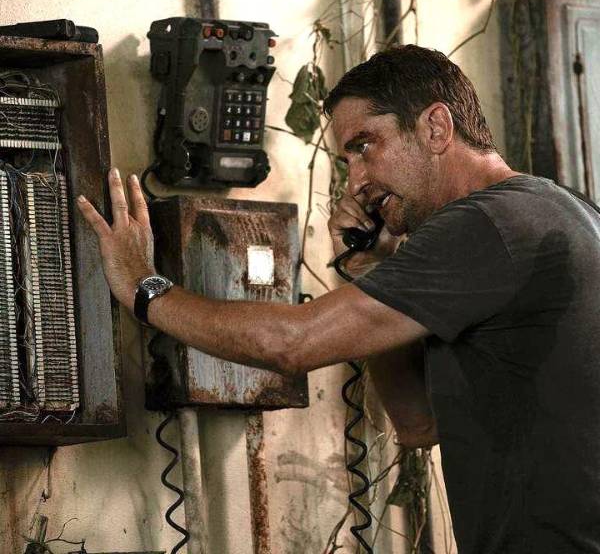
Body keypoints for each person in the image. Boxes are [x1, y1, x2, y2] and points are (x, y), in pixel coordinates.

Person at [77, 45, 600, 554]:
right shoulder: (552, 209)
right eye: (347, 160)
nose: (357, 183)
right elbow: (417, 424)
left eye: (365, 146)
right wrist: (371, 270)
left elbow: (295, 343)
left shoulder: (488, 223)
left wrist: (144, 287)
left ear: (436, 128)